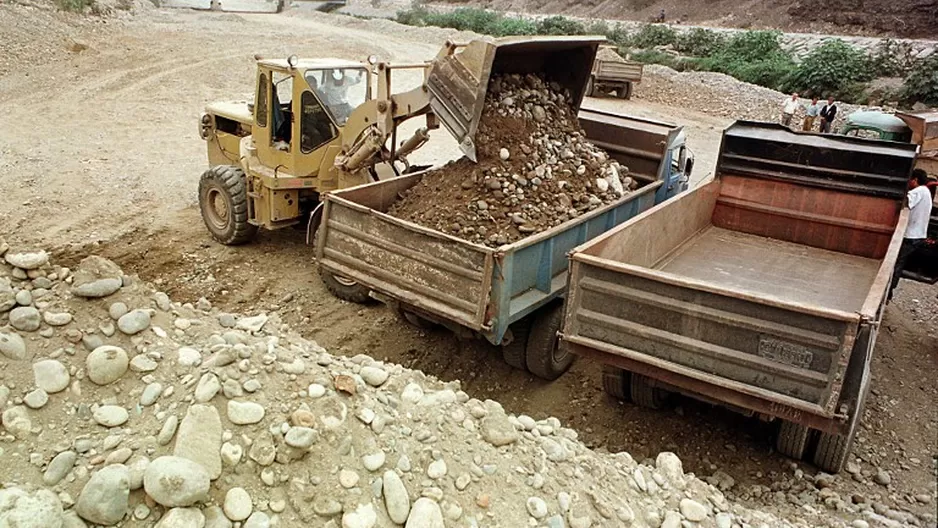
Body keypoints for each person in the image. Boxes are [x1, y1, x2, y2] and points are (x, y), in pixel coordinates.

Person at [888, 169, 933, 303]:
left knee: (895, 264)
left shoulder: (918, 191)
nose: (909, 183)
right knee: (898, 263)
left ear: (915, 180)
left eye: (909, 180)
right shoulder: (926, 192)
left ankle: (888, 291)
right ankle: (889, 292)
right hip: (918, 234)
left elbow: (905, 201)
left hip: (910, 235)